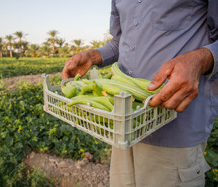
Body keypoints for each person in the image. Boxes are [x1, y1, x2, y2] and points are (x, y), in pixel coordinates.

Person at [62, 0, 218, 186]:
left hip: (176, 127)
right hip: (123, 124)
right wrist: (95, 55)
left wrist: (202, 59)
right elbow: (120, 41)